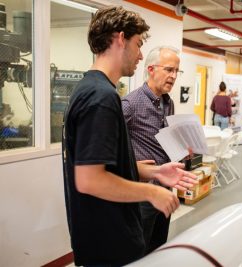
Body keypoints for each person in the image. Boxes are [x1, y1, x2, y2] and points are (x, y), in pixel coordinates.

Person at [62, 7, 196, 266]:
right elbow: (90, 180)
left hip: (103, 235)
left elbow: (103, 165)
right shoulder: (101, 98)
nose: (141, 55)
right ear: (121, 39)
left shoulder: (91, 89)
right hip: (107, 240)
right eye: (138, 44)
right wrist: (150, 192)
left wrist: (154, 173)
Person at [121, 46, 182, 254]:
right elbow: (112, 143)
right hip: (143, 195)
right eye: (169, 70)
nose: (173, 76)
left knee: (158, 247)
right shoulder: (130, 103)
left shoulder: (168, 102)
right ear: (151, 69)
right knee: (138, 251)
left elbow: (164, 140)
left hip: (165, 189)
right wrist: (132, 164)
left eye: (176, 71)